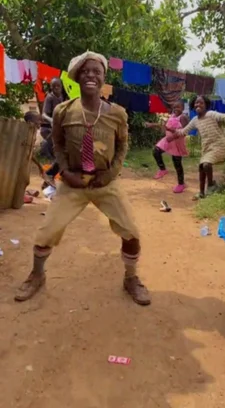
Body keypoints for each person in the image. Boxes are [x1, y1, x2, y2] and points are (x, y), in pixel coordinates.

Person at [14, 51, 150, 306]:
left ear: (103, 78)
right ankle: (37, 274)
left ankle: (131, 278)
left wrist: (111, 173)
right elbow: (58, 142)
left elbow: (122, 145)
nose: (90, 75)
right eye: (85, 71)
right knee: (46, 232)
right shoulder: (64, 111)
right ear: (76, 77)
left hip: (105, 183)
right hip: (73, 183)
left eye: (96, 71)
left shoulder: (117, 113)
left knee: (131, 231)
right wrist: (64, 171)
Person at [172, 96, 225, 200]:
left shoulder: (211, 114)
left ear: (206, 105)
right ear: (193, 105)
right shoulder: (195, 120)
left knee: (206, 164)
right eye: (196, 103)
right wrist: (172, 130)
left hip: (219, 146)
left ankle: (211, 185)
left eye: (201, 103)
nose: (198, 105)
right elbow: (183, 131)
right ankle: (201, 193)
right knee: (201, 168)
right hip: (207, 148)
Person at [145, 100, 189, 193]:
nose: (176, 109)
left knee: (177, 163)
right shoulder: (172, 116)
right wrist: (152, 125)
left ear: (183, 108)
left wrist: (173, 136)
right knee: (156, 151)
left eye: (178, 107)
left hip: (177, 142)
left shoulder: (183, 117)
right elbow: (165, 126)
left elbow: (184, 132)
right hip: (167, 140)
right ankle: (162, 169)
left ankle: (181, 184)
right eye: (175, 107)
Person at [40, 78, 67, 187]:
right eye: (54, 86)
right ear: (51, 87)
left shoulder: (62, 97)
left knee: (64, 153)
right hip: (48, 129)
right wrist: (51, 120)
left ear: (61, 86)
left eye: (58, 86)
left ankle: (50, 177)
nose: (56, 88)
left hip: (58, 129)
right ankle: (50, 175)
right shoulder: (50, 97)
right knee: (62, 152)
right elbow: (44, 115)